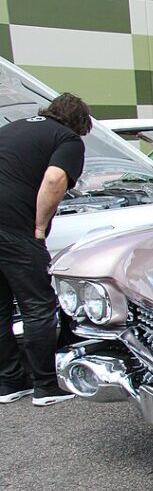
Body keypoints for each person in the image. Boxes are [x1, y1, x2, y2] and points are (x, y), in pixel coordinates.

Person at [0, 93, 91, 406]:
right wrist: (39, 227)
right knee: (38, 305)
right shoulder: (67, 139)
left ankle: (9, 382)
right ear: (79, 122)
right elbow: (54, 180)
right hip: (16, 229)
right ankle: (46, 385)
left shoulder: (11, 129)